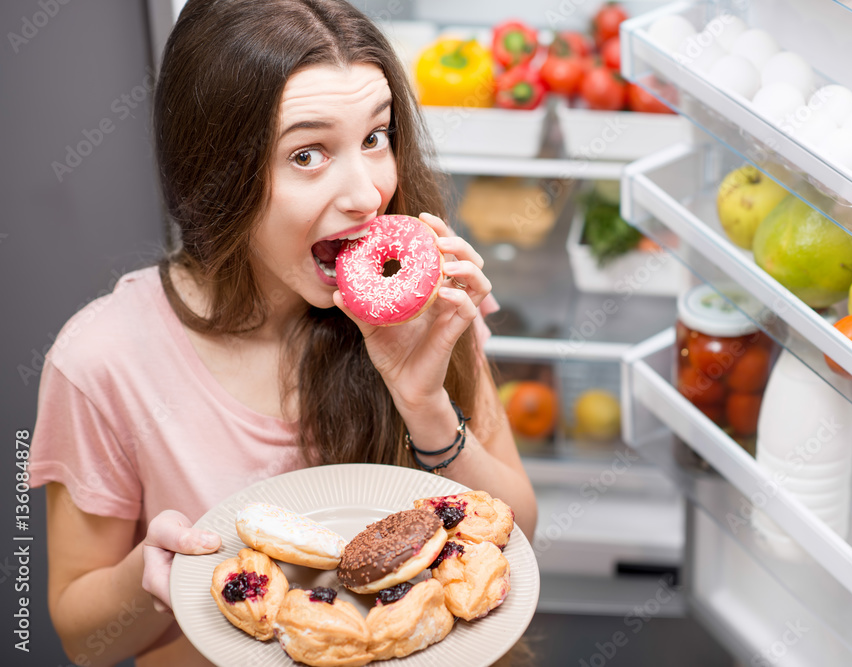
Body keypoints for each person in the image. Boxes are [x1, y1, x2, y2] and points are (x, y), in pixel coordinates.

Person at [28, 1, 537, 665]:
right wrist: (148, 575)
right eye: (308, 153)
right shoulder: (102, 360)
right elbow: (80, 638)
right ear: (217, 174)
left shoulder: (420, 306)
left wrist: (426, 405)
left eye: (376, 137)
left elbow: (515, 530)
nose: (367, 193)